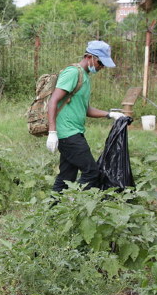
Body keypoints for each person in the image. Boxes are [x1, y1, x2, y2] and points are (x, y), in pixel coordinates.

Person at [46, 40, 125, 192]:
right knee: (92, 172)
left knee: (66, 177)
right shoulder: (73, 73)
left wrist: (110, 114)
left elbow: (86, 109)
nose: (101, 67)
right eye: (100, 63)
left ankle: (53, 209)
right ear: (89, 57)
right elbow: (53, 101)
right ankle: (75, 204)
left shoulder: (84, 76)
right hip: (67, 134)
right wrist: (52, 132)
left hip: (75, 132)